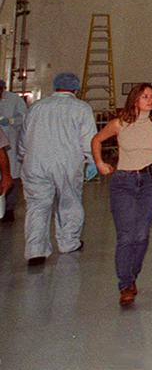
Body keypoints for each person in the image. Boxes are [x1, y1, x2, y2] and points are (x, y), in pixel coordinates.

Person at [90, 83, 152, 305]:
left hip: (149, 182)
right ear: (135, 100)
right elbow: (97, 140)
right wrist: (100, 163)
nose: (149, 100)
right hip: (124, 183)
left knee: (141, 235)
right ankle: (125, 284)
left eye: (151, 96)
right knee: (126, 236)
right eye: (144, 96)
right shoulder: (120, 123)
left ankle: (131, 275)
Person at [18, 72, 96, 265]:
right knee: (69, 202)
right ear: (76, 89)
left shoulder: (36, 107)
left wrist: (22, 157)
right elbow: (89, 140)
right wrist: (94, 160)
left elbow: (24, 138)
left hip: (35, 163)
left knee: (37, 206)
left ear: (55, 86)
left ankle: (36, 250)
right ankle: (68, 242)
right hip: (66, 163)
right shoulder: (81, 108)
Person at [0, 78, 28, 221]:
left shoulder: (14, 99)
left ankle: (9, 209)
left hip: (10, 142)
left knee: (11, 176)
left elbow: (25, 117)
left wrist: (11, 121)